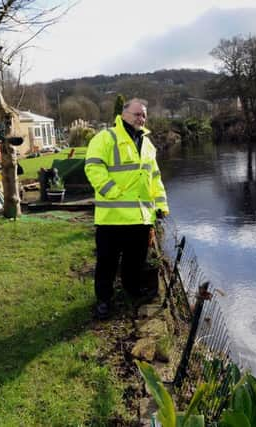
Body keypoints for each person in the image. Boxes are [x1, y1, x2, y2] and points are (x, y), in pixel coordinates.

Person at [84, 98, 169, 319]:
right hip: (112, 217)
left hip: (140, 218)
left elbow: (155, 178)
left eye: (143, 115)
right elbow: (93, 166)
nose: (141, 118)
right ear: (123, 114)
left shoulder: (148, 145)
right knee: (107, 264)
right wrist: (111, 191)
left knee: (135, 262)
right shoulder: (106, 137)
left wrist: (161, 205)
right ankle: (104, 301)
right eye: (137, 114)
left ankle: (132, 291)